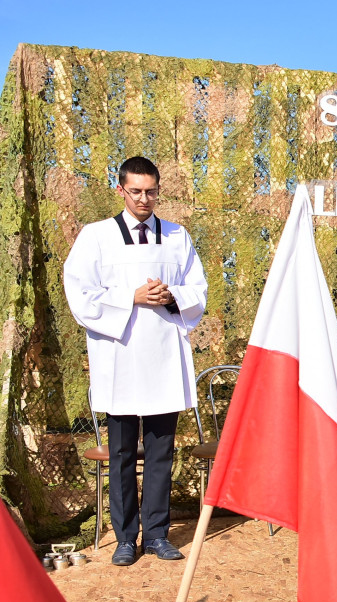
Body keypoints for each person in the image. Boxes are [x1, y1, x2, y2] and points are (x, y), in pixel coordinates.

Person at [64, 157, 208, 566]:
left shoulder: (178, 236)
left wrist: (172, 295)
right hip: (120, 358)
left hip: (163, 357)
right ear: (121, 190)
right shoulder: (96, 237)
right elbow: (80, 294)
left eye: (151, 191)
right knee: (124, 454)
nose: (144, 199)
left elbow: (198, 287)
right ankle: (127, 537)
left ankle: (158, 534)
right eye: (136, 191)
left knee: (161, 453)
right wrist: (130, 297)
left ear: (159, 190)